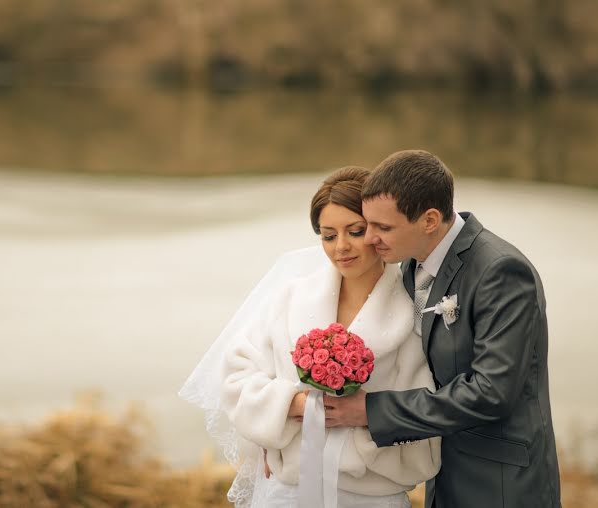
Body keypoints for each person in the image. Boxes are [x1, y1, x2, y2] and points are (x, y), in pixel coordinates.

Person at [180, 167, 440, 508]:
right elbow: (237, 377)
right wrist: (295, 405)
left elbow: (427, 407)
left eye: (355, 231)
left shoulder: (415, 314)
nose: (341, 247)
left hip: (372, 496)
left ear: (378, 230)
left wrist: (362, 419)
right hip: (287, 492)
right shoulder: (290, 299)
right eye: (328, 235)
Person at [322, 150, 561, 508]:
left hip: (500, 482)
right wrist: (296, 441)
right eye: (368, 225)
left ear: (430, 219)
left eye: (383, 228)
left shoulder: (501, 272)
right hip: (442, 472)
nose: (369, 239)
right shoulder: (408, 265)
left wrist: (372, 412)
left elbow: (491, 391)